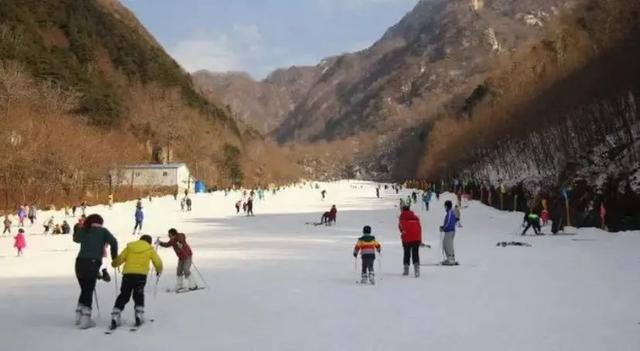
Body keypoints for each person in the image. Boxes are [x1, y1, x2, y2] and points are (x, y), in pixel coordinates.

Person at [73, 214, 118, 329]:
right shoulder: (103, 231)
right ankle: (86, 318)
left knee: (84, 288)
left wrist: (78, 227)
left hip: (79, 262)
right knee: (88, 289)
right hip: (92, 262)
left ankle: (79, 314)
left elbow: (76, 239)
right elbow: (114, 242)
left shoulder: (85, 229)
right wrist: (115, 257)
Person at [110, 235, 162, 329]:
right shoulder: (149, 249)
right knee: (138, 293)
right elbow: (157, 262)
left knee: (124, 294)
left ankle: (116, 314)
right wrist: (159, 270)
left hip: (128, 275)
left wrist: (115, 263)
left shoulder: (130, 247)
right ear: (149, 242)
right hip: (141, 276)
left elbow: (120, 258)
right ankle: (139, 314)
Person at [399, 205, 422, 277]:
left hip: (407, 238)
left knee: (406, 253)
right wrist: (420, 239)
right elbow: (419, 229)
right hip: (416, 238)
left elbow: (401, 228)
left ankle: (406, 270)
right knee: (415, 253)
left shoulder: (402, 217)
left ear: (402, 210)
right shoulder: (415, 218)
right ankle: (417, 270)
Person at [440, 200, 459, 265]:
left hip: (449, 231)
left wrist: (444, 227)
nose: (444, 207)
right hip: (450, 230)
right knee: (447, 244)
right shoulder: (450, 212)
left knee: (448, 244)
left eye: (445, 206)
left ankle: (450, 259)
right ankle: (450, 258)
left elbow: (448, 222)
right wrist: (444, 227)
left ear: (447, 206)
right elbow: (455, 220)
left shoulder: (450, 212)